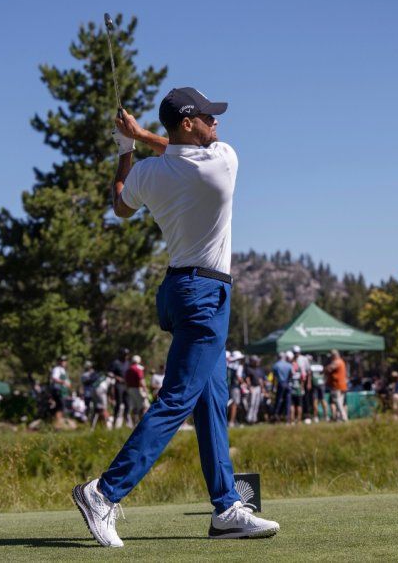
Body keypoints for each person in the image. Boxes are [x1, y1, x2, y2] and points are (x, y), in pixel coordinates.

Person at [72, 88, 278, 547]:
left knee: (210, 398)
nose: (217, 124)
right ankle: (103, 492)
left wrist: (126, 148)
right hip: (206, 295)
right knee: (178, 398)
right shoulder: (223, 160)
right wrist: (141, 135)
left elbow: (121, 205)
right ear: (189, 123)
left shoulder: (149, 173)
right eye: (209, 117)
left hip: (177, 291)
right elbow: (183, 155)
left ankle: (226, 507)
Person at [109, 349, 131, 429]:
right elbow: (109, 373)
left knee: (127, 404)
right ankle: (114, 422)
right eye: (125, 355)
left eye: (127, 355)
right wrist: (117, 377)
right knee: (118, 404)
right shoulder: (116, 363)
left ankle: (126, 422)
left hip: (127, 385)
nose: (126, 356)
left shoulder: (128, 363)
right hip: (119, 385)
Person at [325, 350, 349, 422]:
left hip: (337, 385)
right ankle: (338, 418)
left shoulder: (337, 362)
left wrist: (325, 368)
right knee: (340, 402)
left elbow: (328, 369)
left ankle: (343, 417)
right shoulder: (341, 362)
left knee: (338, 402)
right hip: (341, 385)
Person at [271, 352, 293, 423]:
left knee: (279, 400)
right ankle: (287, 417)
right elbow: (291, 374)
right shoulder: (289, 365)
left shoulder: (276, 365)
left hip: (280, 384)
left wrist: (273, 387)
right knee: (288, 401)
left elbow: (274, 378)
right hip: (287, 383)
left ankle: (276, 416)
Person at [124, 355, 147, 425]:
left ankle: (134, 424)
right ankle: (142, 423)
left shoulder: (128, 369)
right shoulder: (138, 369)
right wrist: (145, 389)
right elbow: (141, 380)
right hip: (137, 389)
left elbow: (126, 381)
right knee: (143, 407)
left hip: (130, 389)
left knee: (134, 407)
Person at [50, 356, 72, 425]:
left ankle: (58, 422)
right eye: (62, 361)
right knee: (60, 407)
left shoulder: (63, 370)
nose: (64, 362)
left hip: (63, 392)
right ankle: (58, 423)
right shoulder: (57, 369)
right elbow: (54, 378)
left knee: (61, 407)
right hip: (58, 390)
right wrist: (63, 382)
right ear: (59, 362)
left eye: (65, 361)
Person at [244, 356, 266, 424]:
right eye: (256, 361)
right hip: (252, 387)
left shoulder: (259, 369)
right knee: (252, 403)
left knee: (256, 404)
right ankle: (249, 419)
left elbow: (261, 380)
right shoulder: (248, 369)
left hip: (258, 388)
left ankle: (254, 419)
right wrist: (249, 387)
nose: (257, 362)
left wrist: (262, 388)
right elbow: (248, 379)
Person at [227, 350, 245, 428]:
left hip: (229, 386)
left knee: (230, 403)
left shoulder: (228, 365)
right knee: (234, 404)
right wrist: (244, 384)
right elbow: (238, 376)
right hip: (235, 387)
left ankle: (232, 420)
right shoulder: (238, 366)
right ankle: (232, 422)